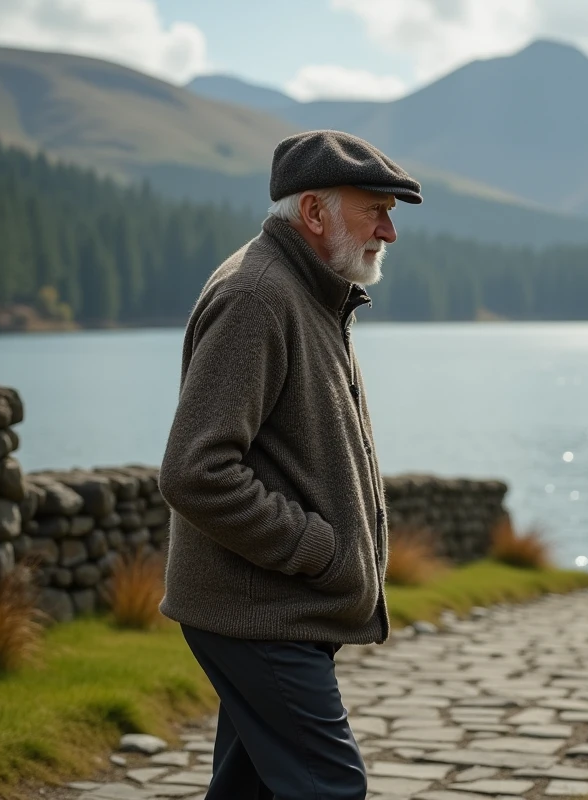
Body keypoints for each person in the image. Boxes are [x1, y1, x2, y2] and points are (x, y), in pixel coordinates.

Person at [157, 129, 422, 799]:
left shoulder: (310, 290)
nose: (389, 231)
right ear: (313, 212)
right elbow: (196, 471)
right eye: (376, 210)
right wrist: (318, 550)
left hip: (276, 607)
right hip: (263, 613)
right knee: (330, 788)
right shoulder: (259, 297)